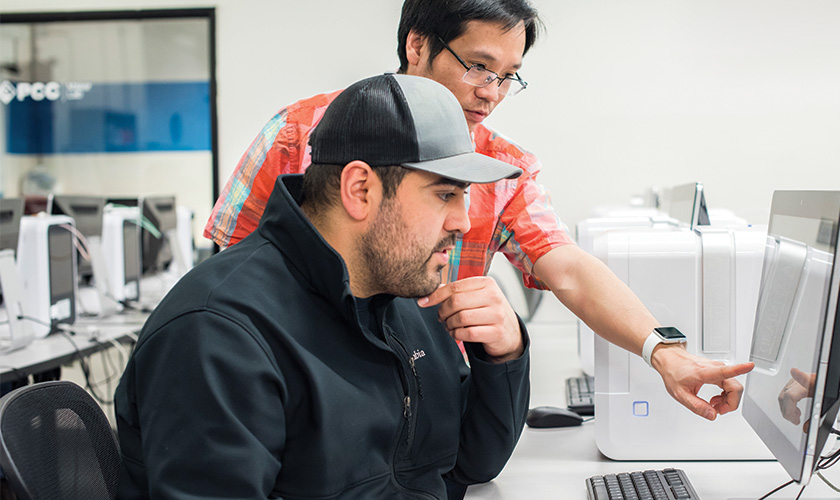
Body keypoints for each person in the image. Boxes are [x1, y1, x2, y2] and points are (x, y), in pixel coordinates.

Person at [206, 0, 753, 421]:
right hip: (310, 395)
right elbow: (234, 271)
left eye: (508, 75)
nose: (491, 92)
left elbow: (566, 267)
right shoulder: (303, 133)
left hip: (422, 400)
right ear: (417, 44)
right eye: (479, 67)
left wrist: (664, 351)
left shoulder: (500, 165)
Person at [114, 74, 530, 500]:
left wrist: (503, 355)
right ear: (360, 189)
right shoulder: (218, 334)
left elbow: (469, 464)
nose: (463, 222)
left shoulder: (404, 298)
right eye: (445, 195)